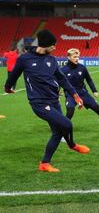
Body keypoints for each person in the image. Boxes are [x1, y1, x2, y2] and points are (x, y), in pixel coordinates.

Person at [4, 29, 89, 173]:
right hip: (39, 103)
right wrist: (7, 87)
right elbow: (13, 75)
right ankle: (72, 144)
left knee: (58, 132)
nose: (55, 47)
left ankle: (44, 163)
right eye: (53, 45)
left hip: (54, 100)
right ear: (45, 45)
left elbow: (62, 78)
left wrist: (75, 95)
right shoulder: (25, 59)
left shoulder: (51, 59)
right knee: (67, 124)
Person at [61, 48, 99, 137]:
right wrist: (57, 92)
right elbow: (58, 82)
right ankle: (63, 134)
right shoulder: (63, 70)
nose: (77, 58)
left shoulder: (82, 68)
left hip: (83, 93)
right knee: (70, 110)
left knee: (98, 109)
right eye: (75, 57)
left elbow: (89, 80)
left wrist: (94, 90)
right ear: (69, 57)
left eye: (78, 57)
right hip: (71, 94)